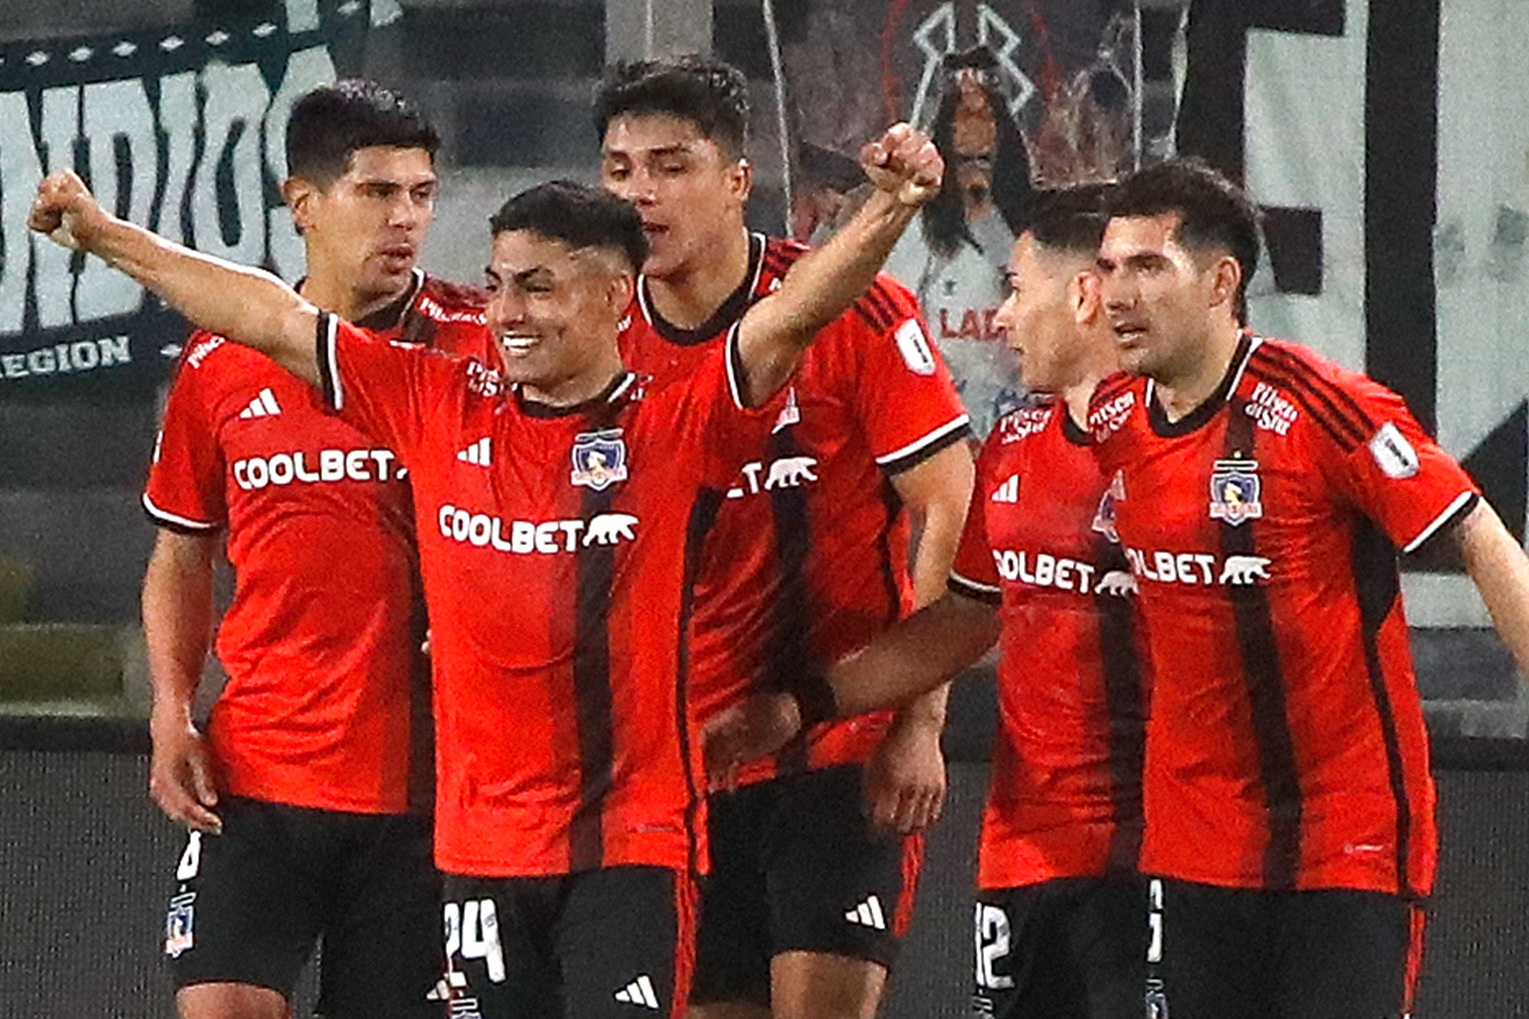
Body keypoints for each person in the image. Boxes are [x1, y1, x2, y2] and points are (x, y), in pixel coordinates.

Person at [34, 122, 942, 1019]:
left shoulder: (677, 428)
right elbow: (268, 315)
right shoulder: (432, 403)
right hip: (475, 853)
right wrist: (104, 235)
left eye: (538, 289)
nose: (507, 313)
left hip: (627, 848)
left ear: (614, 299)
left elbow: (792, 314)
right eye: (502, 285)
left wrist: (890, 208)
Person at [1080, 158, 1529, 1018]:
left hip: (1344, 843)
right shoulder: (1110, 420)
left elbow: (1472, 528)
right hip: (1190, 846)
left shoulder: (1320, 409)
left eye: (1146, 267)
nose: (1116, 294)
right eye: (1107, 269)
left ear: (1221, 282)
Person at [595, 58, 974, 1019]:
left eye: (670, 165)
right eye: (620, 168)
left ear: (736, 180)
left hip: (836, 743)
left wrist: (917, 722)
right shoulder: (595, 334)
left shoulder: (849, 307)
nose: (641, 193)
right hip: (683, 763)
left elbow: (949, 504)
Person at [141, 80, 493, 1019]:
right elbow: (182, 552)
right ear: (304, 204)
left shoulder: (478, 354)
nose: (408, 219)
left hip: (428, 791)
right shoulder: (218, 367)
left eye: (422, 194)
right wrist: (173, 707)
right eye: (378, 193)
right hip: (257, 777)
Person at [761, 184, 1152, 1019]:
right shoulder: (1012, 446)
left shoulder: (1200, 449)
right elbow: (961, 622)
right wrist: (804, 705)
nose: (1000, 318)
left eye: (1015, 288)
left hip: (1167, 850)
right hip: (1024, 850)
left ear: (1083, 295)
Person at [884, 45, 1035, 439]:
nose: (973, 127)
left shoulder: (1033, 225)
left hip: (1021, 415)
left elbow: (1031, 288)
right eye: (961, 116)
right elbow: (894, 321)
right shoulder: (918, 228)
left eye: (984, 114)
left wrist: (984, 215)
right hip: (940, 420)